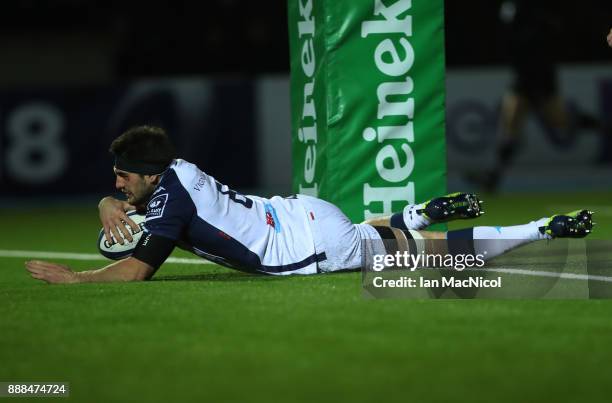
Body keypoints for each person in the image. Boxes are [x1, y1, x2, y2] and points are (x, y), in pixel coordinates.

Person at [25, 126, 594, 284]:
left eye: (122, 176)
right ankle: (416, 213)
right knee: (380, 236)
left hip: (310, 247)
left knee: (433, 256)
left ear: (148, 173)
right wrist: (108, 200)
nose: (117, 182)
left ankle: (541, 228)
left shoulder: (167, 199)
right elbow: (144, 202)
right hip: (307, 214)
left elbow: (136, 269)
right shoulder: (179, 171)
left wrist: (77, 279)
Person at [469, 1, 610, 192]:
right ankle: (493, 176)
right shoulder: (522, 30)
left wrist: (540, 89)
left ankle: (605, 128)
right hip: (524, 83)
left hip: (540, 83)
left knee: (561, 121)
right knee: (511, 127)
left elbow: (544, 54)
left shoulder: (536, 27)